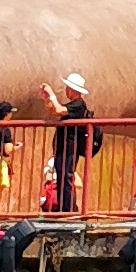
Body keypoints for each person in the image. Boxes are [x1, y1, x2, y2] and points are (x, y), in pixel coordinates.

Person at [44, 74, 93, 216]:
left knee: (66, 177)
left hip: (69, 148)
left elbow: (59, 110)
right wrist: (47, 98)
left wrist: (52, 95)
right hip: (63, 147)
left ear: (73, 90)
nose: (66, 90)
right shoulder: (72, 105)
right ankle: (63, 208)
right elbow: (54, 111)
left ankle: (68, 210)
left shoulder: (78, 105)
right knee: (62, 176)